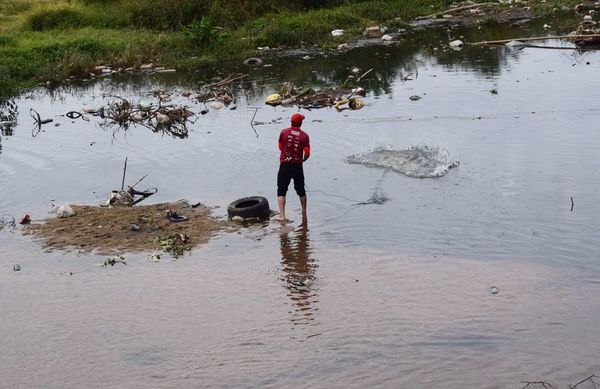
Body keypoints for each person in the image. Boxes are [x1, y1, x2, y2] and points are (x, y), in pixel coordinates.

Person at [276, 113, 310, 223]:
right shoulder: (304, 136)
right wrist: (304, 159)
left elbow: (280, 146)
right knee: (301, 190)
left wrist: (287, 153)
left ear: (291, 121)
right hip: (297, 166)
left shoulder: (284, 132)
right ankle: (304, 212)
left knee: (281, 190)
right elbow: (307, 152)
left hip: (285, 165)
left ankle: (282, 215)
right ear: (301, 123)